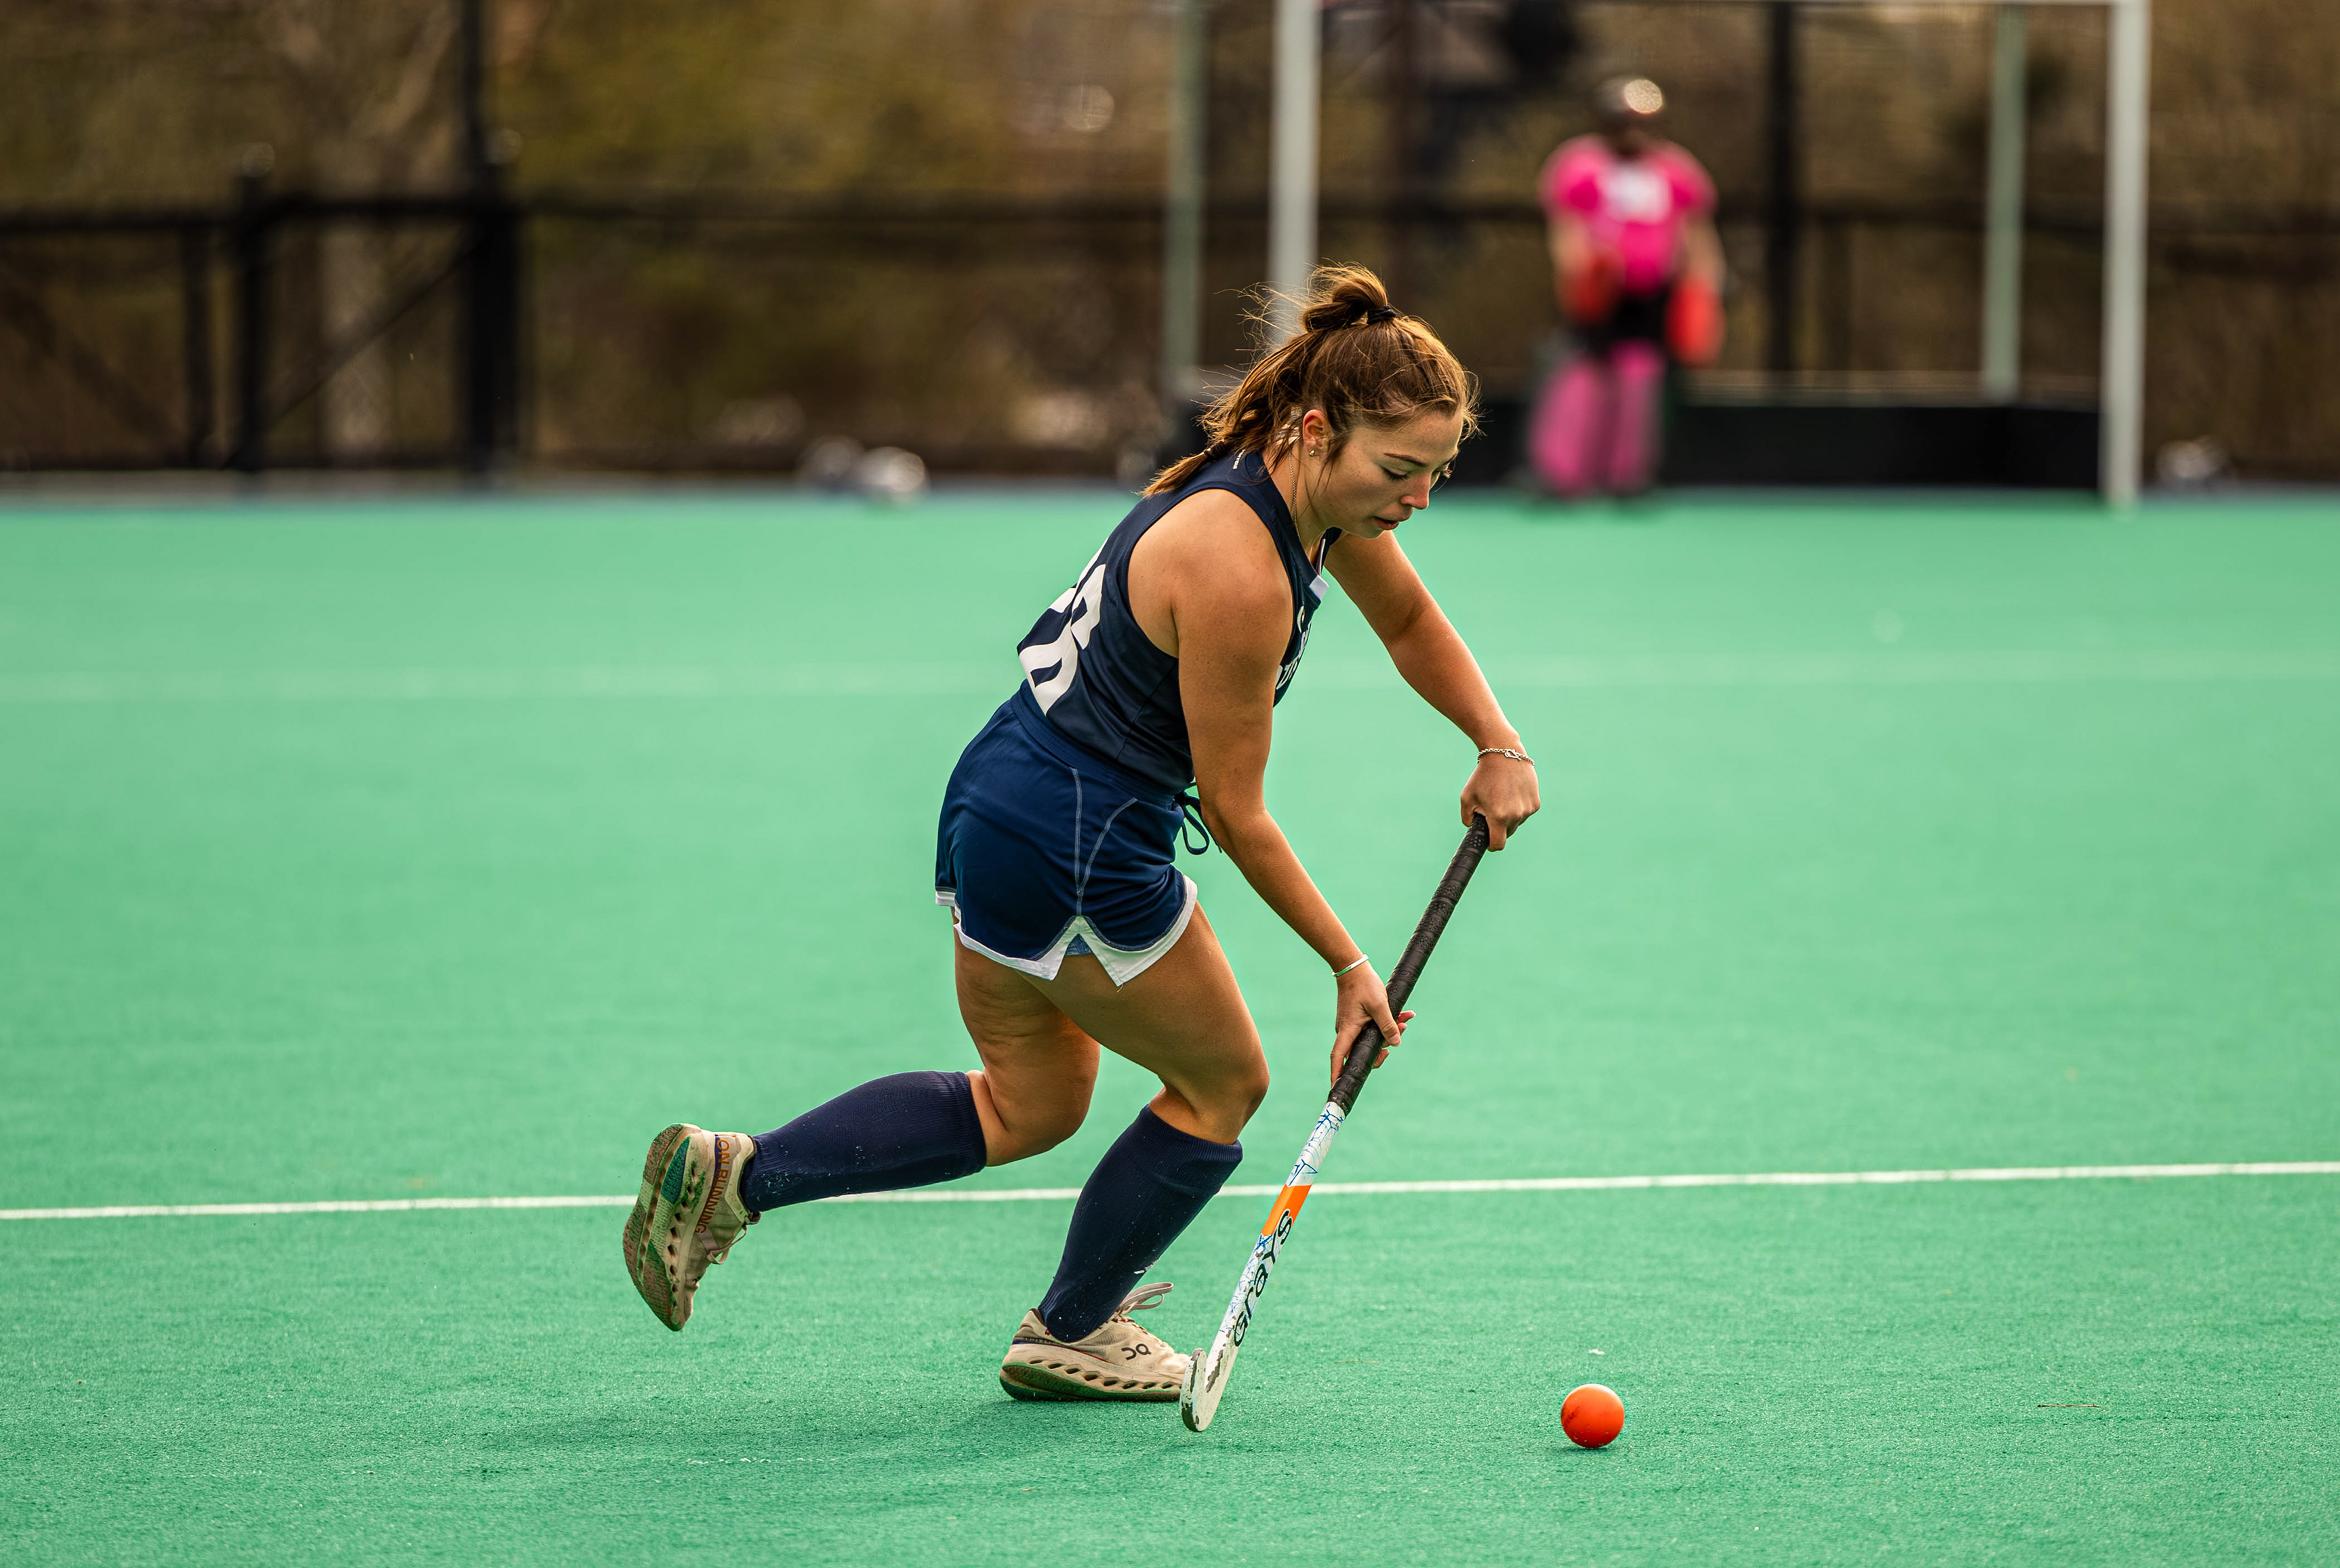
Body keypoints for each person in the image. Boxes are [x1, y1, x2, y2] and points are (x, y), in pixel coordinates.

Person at [623, 265, 1541, 1403]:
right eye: (1400, 471)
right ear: (1318, 430)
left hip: (1004, 800)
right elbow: (1239, 811)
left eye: (1437, 474)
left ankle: (737, 1177)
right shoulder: (1240, 569)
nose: (1419, 499)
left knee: (1032, 1104)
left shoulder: (1292, 489)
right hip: (1083, 841)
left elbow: (1405, 618)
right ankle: (1076, 1328)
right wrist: (1351, 969)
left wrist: (1497, 741)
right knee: (1223, 1084)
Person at [1528, 76, 1726, 500]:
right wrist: (1580, 280)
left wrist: (1705, 286)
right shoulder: (1579, 165)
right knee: (1584, 374)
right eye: (1623, 124)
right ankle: (1561, 475)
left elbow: (1696, 232)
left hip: (1652, 293)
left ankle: (1628, 475)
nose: (1634, 134)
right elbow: (1567, 230)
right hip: (1600, 291)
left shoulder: (1676, 169)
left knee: (1640, 374)